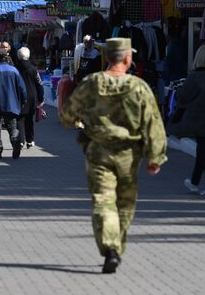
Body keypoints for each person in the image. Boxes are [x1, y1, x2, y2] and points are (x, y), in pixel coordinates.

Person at [59, 38, 167, 274]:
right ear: (127, 58)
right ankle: (115, 245)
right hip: (130, 155)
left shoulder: (90, 83)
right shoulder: (139, 87)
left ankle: (110, 249)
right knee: (125, 203)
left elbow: (67, 115)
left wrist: (77, 121)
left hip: (98, 151)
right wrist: (155, 156)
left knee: (103, 200)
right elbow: (153, 123)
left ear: (107, 57)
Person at [167, 45, 205, 196]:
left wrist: (177, 92)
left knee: (204, 150)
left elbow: (183, 96)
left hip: (198, 118)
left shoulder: (195, 76)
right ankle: (194, 182)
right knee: (202, 148)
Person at [0, 47, 27, 160]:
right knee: (12, 126)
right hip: (11, 103)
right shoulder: (14, 70)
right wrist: (24, 100)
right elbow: (22, 87)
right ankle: (15, 141)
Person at [16, 47, 44, 149]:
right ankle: (30, 140)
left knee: (19, 119)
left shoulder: (15, 68)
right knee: (29, 119)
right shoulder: (33, 69)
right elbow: (39, 84)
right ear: (28, 56)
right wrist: (41, 98)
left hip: (19, 96)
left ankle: (21, 140)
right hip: (32, 96)